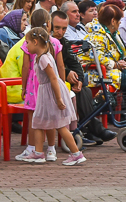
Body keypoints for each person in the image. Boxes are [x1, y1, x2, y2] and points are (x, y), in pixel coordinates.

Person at [21, 28, 85, 166]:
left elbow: (54, 79)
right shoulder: (43, 56)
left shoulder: (44, 58)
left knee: (60, 125)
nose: (26, 46)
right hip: (46, 93)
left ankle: (76, 154)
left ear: (36, 42)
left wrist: (59, 99)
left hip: (50, 93)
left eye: (27, 42)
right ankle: (38, 153)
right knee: (38, 122)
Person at [50, 11, 116, 144]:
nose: (60, 32)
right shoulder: (45, 42)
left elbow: (76, 64)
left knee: (83, 89)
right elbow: (48, 64)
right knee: (78, 92)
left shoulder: (64, 42)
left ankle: (88, 129)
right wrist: (67, 72)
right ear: (49, 25)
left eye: (64, 29)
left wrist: (79, 79)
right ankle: (94, 128)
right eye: (57, 28)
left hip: (65, 82)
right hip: (49, 82)